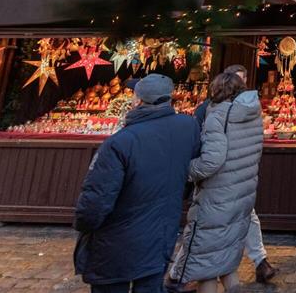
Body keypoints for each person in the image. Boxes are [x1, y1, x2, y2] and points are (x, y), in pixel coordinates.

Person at [74, 74, 201, 293]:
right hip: (161, 234)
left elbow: (96, 200)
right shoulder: (188, 127)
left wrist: (84, 225)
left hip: (116, 241)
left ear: (139, 101)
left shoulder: (120, 142)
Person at [170, 71, 264, 293]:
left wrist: (188, 169)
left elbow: (211, 162)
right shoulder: (253, 114)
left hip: (217, 197)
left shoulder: (218, 115)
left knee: (206, 267)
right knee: (226, 258)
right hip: (242, 192)